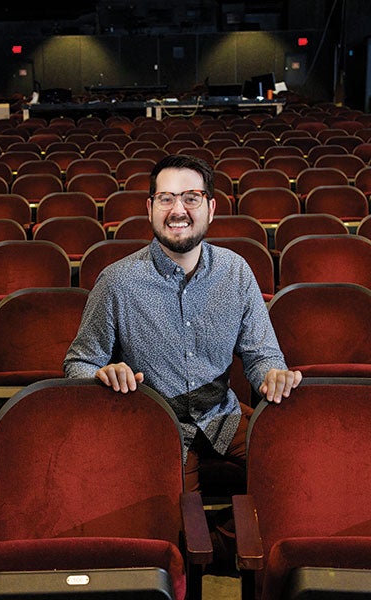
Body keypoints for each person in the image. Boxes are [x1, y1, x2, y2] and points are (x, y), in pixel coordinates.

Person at [63, 153, 302, 493]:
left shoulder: (236, 272)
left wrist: (272, 376)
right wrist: (101, 375)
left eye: (192, 198)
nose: (178, 211)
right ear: (150, 209)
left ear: (211, 209)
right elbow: (79, 362)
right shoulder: (116, 281)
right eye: (166, 199)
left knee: (299, 468)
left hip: (223, 414)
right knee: (177, 515)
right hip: (155, 423)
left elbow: (262, 356)